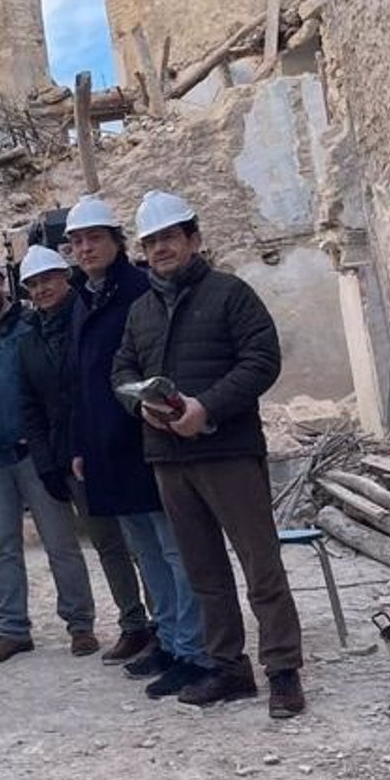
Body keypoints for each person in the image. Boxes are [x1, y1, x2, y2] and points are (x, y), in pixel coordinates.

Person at [112, 191, 305, 718]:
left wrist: (207, 406)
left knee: (260, 565)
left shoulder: (230, 295)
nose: (160, 249)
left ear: (194, 240)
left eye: (169, 238)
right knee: (204, 570)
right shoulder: (141, 312)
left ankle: (283, 671)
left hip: (228, 450)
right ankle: (229, 668)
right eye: (151, 242)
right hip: (168, 458)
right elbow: (121, 372)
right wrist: (142, 408)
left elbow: (262, 360)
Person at [62, 195, 208, 700]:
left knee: (173, 550)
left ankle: (194, 648)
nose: (85, 248)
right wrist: (81, 444)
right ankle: (169, 640)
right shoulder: (85, 298)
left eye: (94, 238)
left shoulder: (139, 289)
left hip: (146, 439)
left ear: (116, 242)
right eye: (77, 241)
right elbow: (81, 381)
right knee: (146, 552)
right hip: (105, 447)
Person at [0, 250, 99, 663]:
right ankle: (13, 628)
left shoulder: (33, 325)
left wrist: (49, 440)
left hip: (33, 454)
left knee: (60, 542)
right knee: (2, 546)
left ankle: (80, 624)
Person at [14, 244, 157, 663]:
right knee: (107, 542)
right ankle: (133, 623)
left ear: (66, 278)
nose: (41, 290)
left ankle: (163, 622)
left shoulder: (88, 317)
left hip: (109, 442)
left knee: (140, 539)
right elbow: (31, 407)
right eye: (33, 284)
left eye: (47, 280)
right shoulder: (29, 341)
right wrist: (46, 461)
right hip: (70, 455)